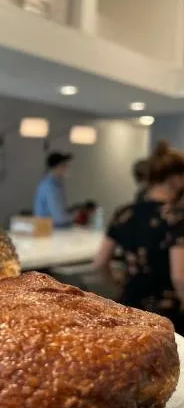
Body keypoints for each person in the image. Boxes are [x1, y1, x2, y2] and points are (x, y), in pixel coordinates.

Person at [93, 141, 184, 333]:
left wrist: (118, 284)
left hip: (129, 305)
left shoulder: (124, 212)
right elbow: (179, 277)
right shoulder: (176, 218)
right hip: (167, 313)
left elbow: (100, 261)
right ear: (175, 179)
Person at [33, 151, 73, 227]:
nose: (66, 168)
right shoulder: (49, 186)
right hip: (47, 230)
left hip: (55, 228)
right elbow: (57, 216)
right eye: (64, 165)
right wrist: (72, 218)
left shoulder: (58, 184)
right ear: (57, 167)